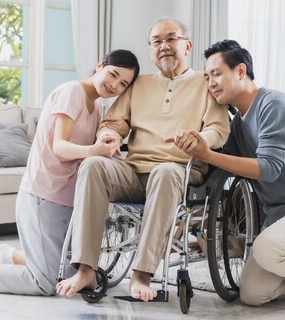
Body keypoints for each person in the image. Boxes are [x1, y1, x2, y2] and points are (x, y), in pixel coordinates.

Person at [0, 49, 140, 296]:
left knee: (70, 274)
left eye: (123, 84)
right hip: (43, 195)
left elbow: (92, 149)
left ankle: (11, 255)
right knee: (47, 283)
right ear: (100, 65)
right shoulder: (72, 92)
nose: (114, 85)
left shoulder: (97, 105)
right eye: (112, 75)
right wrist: (93, 150)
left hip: (67, 197)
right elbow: (59, 147)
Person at [56, 17, 230, 302]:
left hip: (179, 171)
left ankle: (142, 273)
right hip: (134, 171)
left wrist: (201, 140)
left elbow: (218, 129)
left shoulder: (205, 82)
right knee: (93, 164)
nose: (164, 47)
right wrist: (109, 136)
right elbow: (113, 122)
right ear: (150, 51)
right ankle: (86, 268)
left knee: (165, 171)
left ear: (187, 45)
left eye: (171, 39)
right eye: (156, 42)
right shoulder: (139, 84)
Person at [166, 40, 285, 309]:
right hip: (280, 216)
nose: (211, 83)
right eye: (206, 77)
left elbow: (268, 169)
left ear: (241, 71)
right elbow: (221, 163)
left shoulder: (273, 105)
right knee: (252, 295)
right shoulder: (238, 123)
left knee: (265, 248)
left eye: (216, 74)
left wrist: (209, 154)